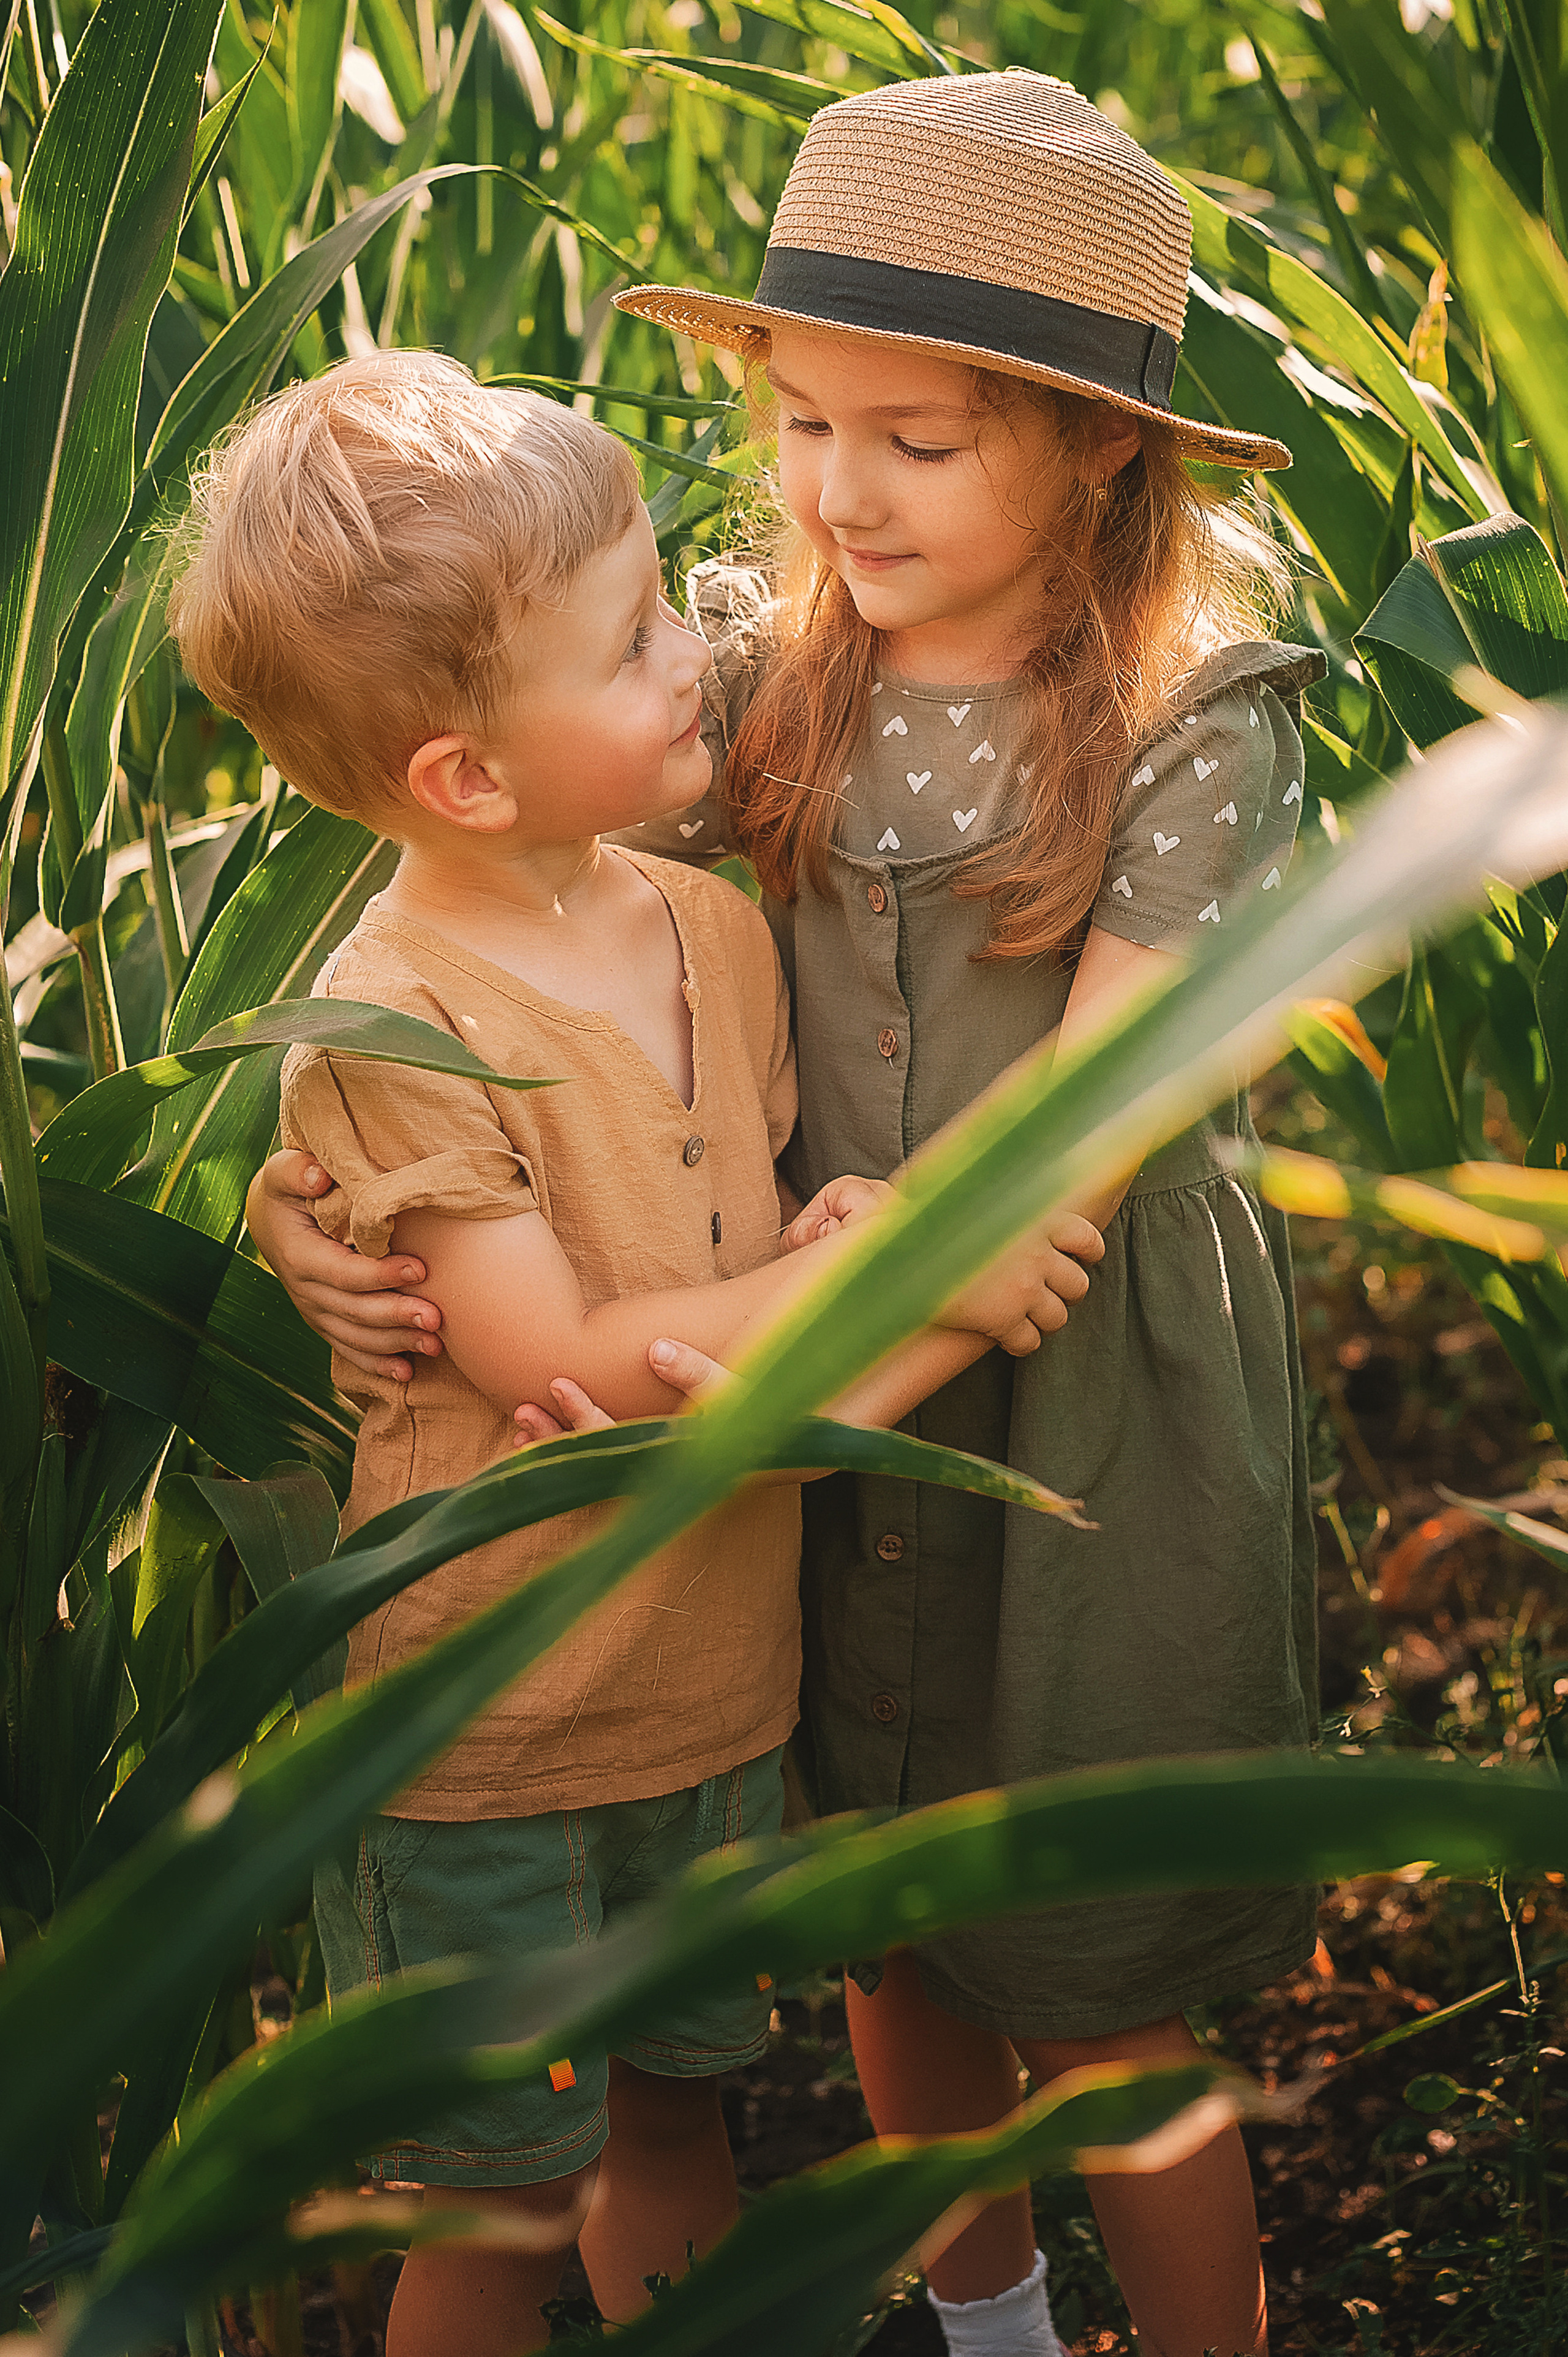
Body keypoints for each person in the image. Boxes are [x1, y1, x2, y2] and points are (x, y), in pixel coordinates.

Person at [246, 75, 1326, 2357]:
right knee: (888, 1932)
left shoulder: (1193, 720)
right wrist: (320, 1193)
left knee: (1103, 1975)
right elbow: (487, 871)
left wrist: (764, 1407)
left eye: (914, 443)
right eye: (810, 422)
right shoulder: (764, 678)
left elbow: (1064, 1165)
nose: (838, 490)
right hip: (794, 1376)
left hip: (1064, 1420)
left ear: (1096, 445)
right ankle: (995, 2325)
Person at [173, 350, 1101, 2357]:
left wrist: (824, 1255)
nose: (695, 653)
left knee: (687, 2117)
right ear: (467, 781)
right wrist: (917, 1263)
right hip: (495, 1735)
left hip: (708, 1690)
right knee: (499, 2204)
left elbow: (727, 1249)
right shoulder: (390, 1016)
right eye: (630, 643)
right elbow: (566, 1370)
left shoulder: (712, 933)